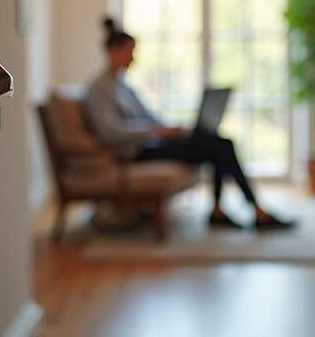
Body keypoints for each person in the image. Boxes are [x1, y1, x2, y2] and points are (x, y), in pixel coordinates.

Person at [82, 18, 295, 230]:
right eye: (130, 51)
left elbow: (148, 118)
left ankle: (220, 210)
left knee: (215, 142)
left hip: (154, 142)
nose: (133, 58)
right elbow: (108, 132)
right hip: (138, 153)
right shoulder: (99, 87)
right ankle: (255, 211)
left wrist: (172, 129)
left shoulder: (123, 86)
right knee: (222, 145)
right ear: (114, 50)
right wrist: (156, 130)